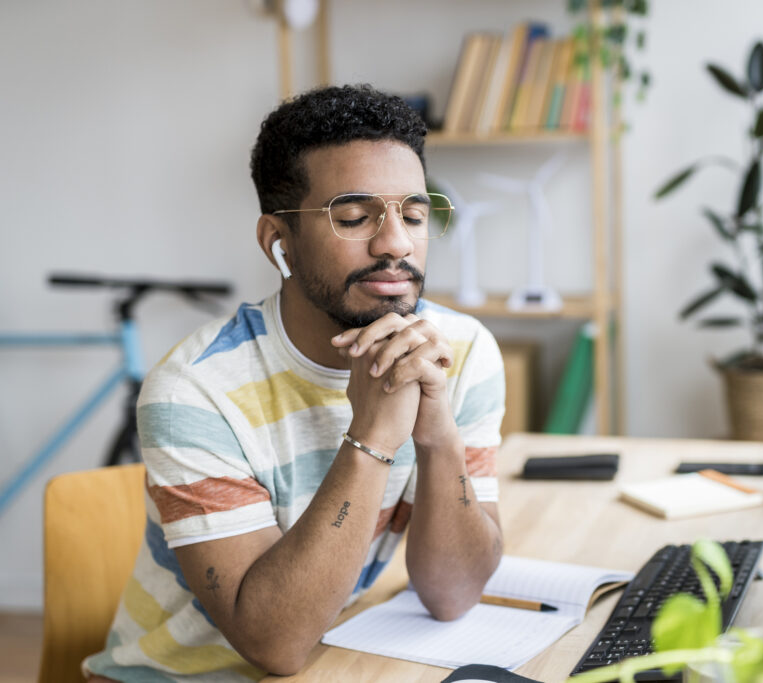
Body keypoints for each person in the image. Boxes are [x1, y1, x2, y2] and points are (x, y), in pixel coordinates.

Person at [84, 84, 506, 681]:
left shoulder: (461, 353)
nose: (396, 243)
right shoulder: (195, 392)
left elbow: (454, 594)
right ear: (278, 242)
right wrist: (373, 439)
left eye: (414, 214)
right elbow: (273, 645)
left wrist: (437, 436)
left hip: (332, 657)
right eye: (355, 217)